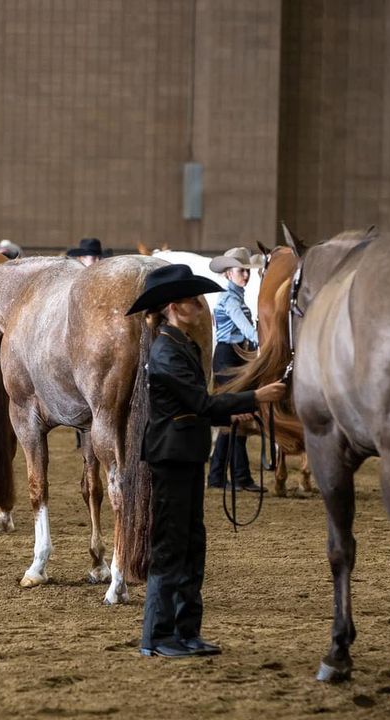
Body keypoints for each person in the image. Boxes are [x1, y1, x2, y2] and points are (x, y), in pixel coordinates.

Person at [126, 263, 286, 658]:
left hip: (186, 453)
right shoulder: (165, 351)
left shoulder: (181, 345)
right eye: (193, 299)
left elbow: (196, 407)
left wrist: (230, 414)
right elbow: (198, 402)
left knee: (192, 543)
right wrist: (254, 398)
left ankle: (186, 630)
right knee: (170, 546)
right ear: (175, 306)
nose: (200, 304)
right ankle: (158, 636)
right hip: (171, 457)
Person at [208, 247, 265, 492]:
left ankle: (227, 476)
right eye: (241, 271)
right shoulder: (230, 299)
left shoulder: (236, 297)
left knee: (236, 417)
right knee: (233, 415)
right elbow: (245, 329)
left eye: (246, 271)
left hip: (235, 355)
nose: (246, 275)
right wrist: (264, 342)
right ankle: (227, 476)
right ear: (229, 273)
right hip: (229, 356)